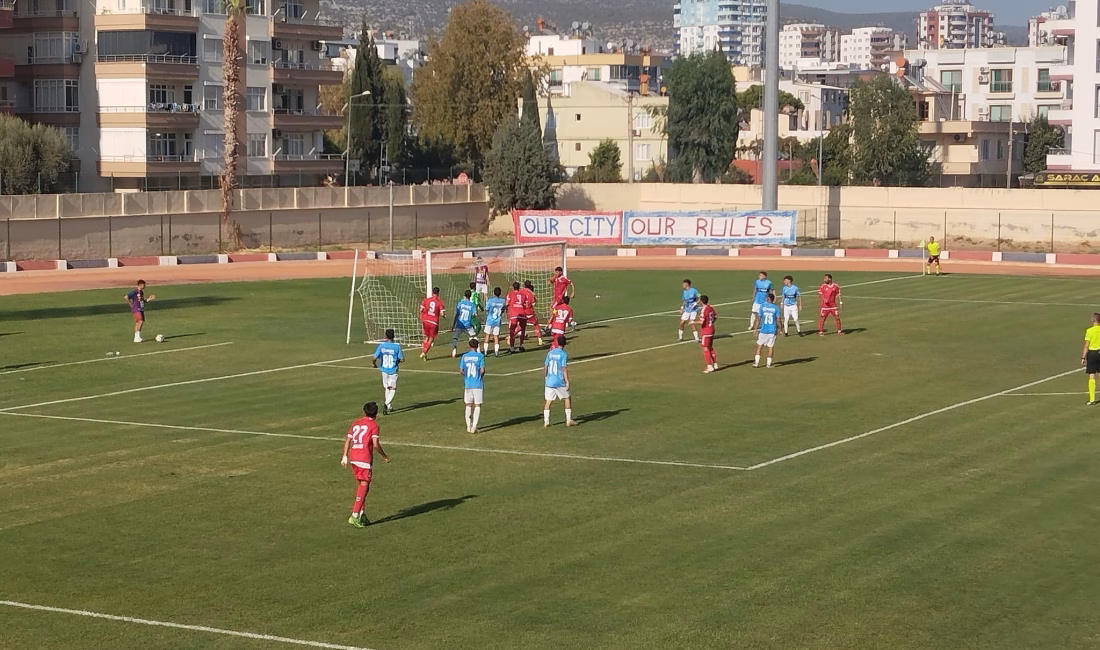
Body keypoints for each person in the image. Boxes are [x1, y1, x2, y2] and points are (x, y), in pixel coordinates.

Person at [340, 402, 391, 528]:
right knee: (364, 485)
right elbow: (375, 444)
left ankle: (362, 514)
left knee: (362, 485)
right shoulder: (374, 425)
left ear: (364, 412)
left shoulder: (355, 423)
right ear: (376, 414)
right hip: (364, 459)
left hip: (353, 457)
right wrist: (384, 456)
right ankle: (355, 515)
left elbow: (348, 440)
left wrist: (345, 456)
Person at [543, 335, 577, 427]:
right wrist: (567, 381)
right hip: (559, 381)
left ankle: (546, 421)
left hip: (549, 381)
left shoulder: (550, 353)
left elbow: (546, 366)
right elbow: (563, 368)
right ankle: (568, 420)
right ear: (565, 344)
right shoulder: (563, 354)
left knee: (548, 401)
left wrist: (546, 376)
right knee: (567, 398)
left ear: (557, 342)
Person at [371, 329, 404, 415]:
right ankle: (386, 404)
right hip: (393, 370)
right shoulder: (397, 346)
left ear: (386, 336)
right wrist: (398, 361)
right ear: (393, 336)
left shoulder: (381, 346)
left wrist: (374, 364)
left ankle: (389, 406)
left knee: (387, 388)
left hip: (384, 370)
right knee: (392, 389)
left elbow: (374, 357)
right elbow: (402, 359)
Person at [459, 339, 485, 433]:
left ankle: (468, 426)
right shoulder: (480, 356)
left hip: (468, 384)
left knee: (468, 405)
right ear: (477, 346)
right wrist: (479, 376)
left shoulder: (464, 356)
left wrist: (466, 376)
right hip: (477, 384)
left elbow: (461, 370)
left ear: (469, 346)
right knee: (477, 405)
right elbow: (482, 370)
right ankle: (474, 426)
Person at [753, 294, 781, 368]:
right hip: (772, 330)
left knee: (759, 346)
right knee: (770, 347)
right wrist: (780, 329)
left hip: (763, 330)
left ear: (768, 299)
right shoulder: (775, 308)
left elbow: (758, 318)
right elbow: (778, 319)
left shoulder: (762, 306)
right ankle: (768, 364)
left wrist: (755, 329)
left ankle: (756, 363)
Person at [419, 287, 445, 360]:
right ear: (438, 293)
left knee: (426, 338)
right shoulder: (439, 302)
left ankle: (424, 353)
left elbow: (421, 309)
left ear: (432, 292)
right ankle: (424, 353)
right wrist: (443, 316)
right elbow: (442, 313)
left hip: (425, 320)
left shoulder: (426, 300)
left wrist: (423, 315)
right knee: (431, 339)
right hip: (433, 322)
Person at [450, 290, 478, 358]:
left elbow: (456, 314)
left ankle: (454, 352)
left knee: (455, 338)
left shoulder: (460, 303)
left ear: (464, 296)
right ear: (470, 296)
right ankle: (477, 351)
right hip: (467, 325)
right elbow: (475, 314)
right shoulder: (472, 305)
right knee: (474, 337)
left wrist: (453, 325)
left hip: (459, 324)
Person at [482, 287, 507, 356]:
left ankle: (485, 352)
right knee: (496, 337)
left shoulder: (490, 301)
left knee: (487, 335)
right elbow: (503, 310)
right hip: (497, 321)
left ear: (494, 293)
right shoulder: (503, 301)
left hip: (489, 321)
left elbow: (487, 309)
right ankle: (496, 352)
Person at [697, 294, 719, 373]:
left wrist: (693, 322)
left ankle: (709, 366)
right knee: (710, 347)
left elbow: (701, 322)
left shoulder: (704, 309)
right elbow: (716, 316)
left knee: (705, 348)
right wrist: (711, 322)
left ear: (701, 301)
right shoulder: (710, 307)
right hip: (711, 329)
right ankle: (715, 364)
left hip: (706, 331)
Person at [1082, 313, 1100, 405]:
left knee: (1092, 375)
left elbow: (1086, 345)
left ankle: (1092, 399)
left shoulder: (1089, 331)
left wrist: (1083, 357)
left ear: (1093, 320)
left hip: (1092, 354)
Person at [521, 280, 544, 346]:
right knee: (536, 325)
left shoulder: (521, 291)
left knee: (521, 326)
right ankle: (540, 340)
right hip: (530, 312)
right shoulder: (531, 293)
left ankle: (512, 336)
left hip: (522, 311)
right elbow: (534, 304)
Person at [506, 281, 527, 353]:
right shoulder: (523, 295)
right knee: (522, 329)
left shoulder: (510, 294)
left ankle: (512, 347)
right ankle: (521, 345)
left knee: (512, 330)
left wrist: (506, 309)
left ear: (513, 287)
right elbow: (525, 305)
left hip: (514, 314)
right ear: (519, 287)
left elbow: (507, 304)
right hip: (522, 313)